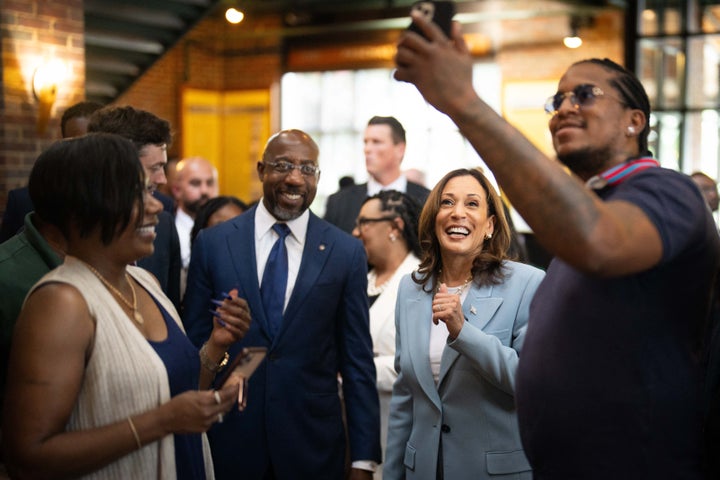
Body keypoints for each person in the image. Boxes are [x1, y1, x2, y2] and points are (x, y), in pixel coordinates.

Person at [395, 15, 720, 479]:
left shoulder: (666, 192)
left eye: (585, 94)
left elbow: (600, 240)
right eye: (558, 99)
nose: (565, 107)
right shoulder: (584, 216)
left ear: (635, 121)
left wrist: (464, 103)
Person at [2, 133, 251, 479]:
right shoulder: (62, 302)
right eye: (138, 195)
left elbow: (175, 389)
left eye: (149, 192)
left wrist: (216, 344)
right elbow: (28, 456)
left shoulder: (144, 283)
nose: (157, 206)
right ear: (85, 207)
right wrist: (161, 421)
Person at [183, 129, 381, 479]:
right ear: (261, 170)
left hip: (313, 445)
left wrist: (363, 459)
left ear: (318, 178)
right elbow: (194, 344)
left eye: (307, 169)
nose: (294, 178)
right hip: (229, 440)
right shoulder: (214, 244)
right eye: (283, 165)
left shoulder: (345, 252)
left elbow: (357, 363)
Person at [384, 168, 544, 480]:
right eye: (447, 203)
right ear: (434, 218)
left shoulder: (527, 283)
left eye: (472, 204)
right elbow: (406, 394)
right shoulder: (411, 288)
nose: (458, 213)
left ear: (490, 225)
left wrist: (463, 332)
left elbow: (530, 383)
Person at [351, 189, 422, 478]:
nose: (355, 232)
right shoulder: (360, 279)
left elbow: (419, 362)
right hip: (349, 430)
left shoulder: (422, 282)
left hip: (395, 428)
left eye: (364, 223)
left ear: (394, 227)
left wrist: (352, 369)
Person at [87, 105, 182, 311]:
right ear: (119, 163)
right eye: (155, 168)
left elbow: (172, 314)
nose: (163, 179)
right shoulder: (82, 231)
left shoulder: (163, 225)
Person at [0, 101, 103, 243]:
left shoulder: (127, 199)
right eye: (75, 142)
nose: (83, 150)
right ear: (63, 143)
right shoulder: (23, 201)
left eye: (92, 142)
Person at [324, 116, 430, 233]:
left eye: (376, 142)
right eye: (366, 142)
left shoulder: (427, 202)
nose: (367, 149)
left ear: (400, 149)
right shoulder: (339, 202)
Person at [172, 156, 219, 297]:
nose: (204, 191)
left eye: (210, 183)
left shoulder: (226, 229)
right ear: (176, 190)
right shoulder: (163, 229)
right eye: (195, 183)